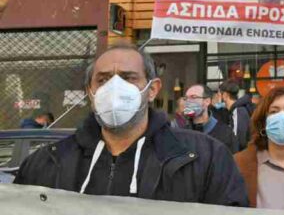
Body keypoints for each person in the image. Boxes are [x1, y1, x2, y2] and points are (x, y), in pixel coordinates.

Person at [14, 44, 247, 205]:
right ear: (90, 91)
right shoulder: (46, 163)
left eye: (128, 77)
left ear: (152, 89)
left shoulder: (205, 159)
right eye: (103, 79)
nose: (115, 87)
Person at [184, 84, 238, 153]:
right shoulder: (182, 133)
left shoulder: (225, 134)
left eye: (193, 97)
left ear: (207, 101)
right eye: (186, 98)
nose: (188, 101)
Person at [219, 79, 253, 151]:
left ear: (225, 95)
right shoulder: (234, 110)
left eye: (219, 94)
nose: (217, 97)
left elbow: (239, 139)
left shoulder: (238, 111)